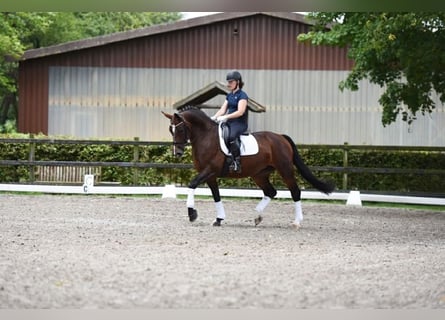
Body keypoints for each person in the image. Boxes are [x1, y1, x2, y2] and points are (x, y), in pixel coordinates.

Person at [211, 70, 249, 173]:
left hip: (239, 123)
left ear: (237, 82)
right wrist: (214, 117)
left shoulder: (242, 95)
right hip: (230, 122)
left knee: (231, 136)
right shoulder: (229, 95)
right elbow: (223, 110)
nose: (229, 84)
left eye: (231, 82)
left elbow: (240, 112)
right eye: (228, 82)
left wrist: (226, 117)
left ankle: (237, 162)